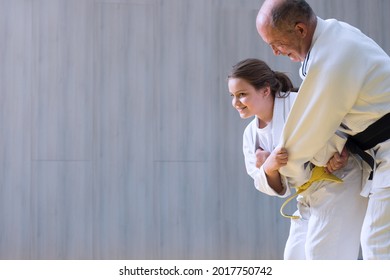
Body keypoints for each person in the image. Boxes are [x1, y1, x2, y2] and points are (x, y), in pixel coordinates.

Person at [256, 0, 390, 259]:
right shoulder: (332, 38)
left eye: (276, 43)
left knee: (377, 242)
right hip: (376, 154)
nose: (275, 52)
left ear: (300, 30)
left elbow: (310, 130)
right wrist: (338, 148)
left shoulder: (333, 54)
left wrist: (276, 169)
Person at [228, 58, 367, 259]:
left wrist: (341, 150)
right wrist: (269, 167)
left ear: (265, 90)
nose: (236, 103)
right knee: (294, 258)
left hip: (340, 182)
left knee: (322, 255)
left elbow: (338, 124)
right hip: (307, 195)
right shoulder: (251, 135)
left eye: (242, 95)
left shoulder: (297, 104)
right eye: (232, 96)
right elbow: (264, 181)